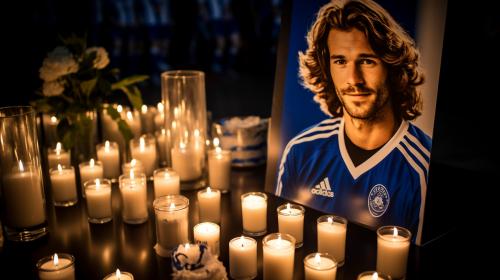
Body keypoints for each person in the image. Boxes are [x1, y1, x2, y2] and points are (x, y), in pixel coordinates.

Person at [275, 0, 431, 244]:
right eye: (340, 61)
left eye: (367, 60)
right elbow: (281, 246)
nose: (353, 79)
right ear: (327, 69)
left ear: (392, 66)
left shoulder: (422, 169)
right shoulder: (300, 151)